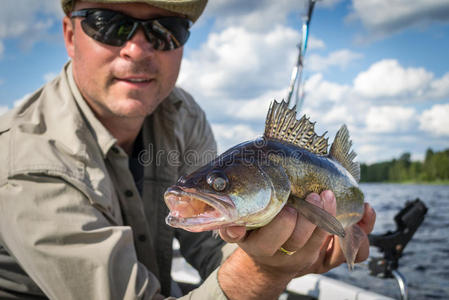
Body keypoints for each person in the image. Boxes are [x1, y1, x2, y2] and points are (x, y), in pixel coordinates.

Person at [0, 0, 376, 299]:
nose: (137, 48)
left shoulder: (181, 114)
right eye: (109, 24)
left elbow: (213, 249)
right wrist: (263, 271)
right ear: (69, 35)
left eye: (166, 29)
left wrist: (275, 255)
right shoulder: (26, 162)